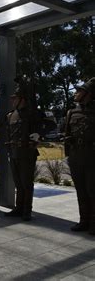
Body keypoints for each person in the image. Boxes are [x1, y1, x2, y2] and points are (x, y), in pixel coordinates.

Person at [5, 83, 42, 221]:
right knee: (18, 183)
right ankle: (19, 208)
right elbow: (9, 133)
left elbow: (50, 124)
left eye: (15, 98)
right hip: (14, 152)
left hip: (27, 152)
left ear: (22, 100)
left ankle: (27, 210)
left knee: (26, 183)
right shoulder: (10, 115)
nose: (12, 101)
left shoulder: (32, 113)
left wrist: (39, 134)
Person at [64, 77, 95, 234]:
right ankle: (83, 221)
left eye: (80, 91)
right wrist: (68, 152)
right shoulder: (72, 112)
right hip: (76, 157)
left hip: (92, 157)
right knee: (81, 191)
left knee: (92, 191)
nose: (76, 93)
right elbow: (67, 133)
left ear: (88, 94)